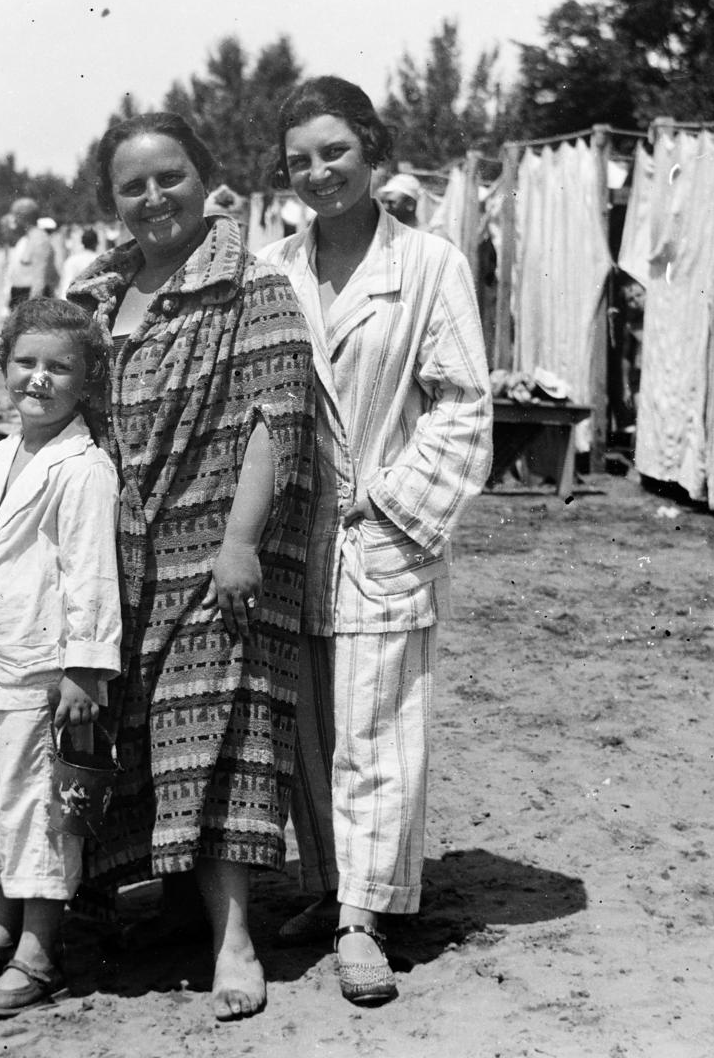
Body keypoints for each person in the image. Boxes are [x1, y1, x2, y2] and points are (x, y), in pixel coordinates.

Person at [65, 112, 315, 1023]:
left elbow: (272, 421)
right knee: (128, 732)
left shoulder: (254, 286)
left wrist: (240, 542)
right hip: (119, 560)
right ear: (113, 201)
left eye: (168, 177)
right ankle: (167, 907)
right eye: (132, 185)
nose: (152, 197)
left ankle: (234, 941)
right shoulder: (98, 299)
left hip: (218, 553)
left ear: (203, 180)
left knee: (214, 731)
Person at [259, 76, 493, 1007]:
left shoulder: (431, 263)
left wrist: (385, 499)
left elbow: (464, 402)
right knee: (310, 725)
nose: (319, 173)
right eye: (300, 161)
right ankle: (328, 885)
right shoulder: (273, 268)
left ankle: (367, 917)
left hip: (381, 522)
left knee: (376, 728)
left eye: (336, 153)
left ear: (373, 152)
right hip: (292, 533)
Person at [0, 297, 121, 1019]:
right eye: (25, 362)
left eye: (58, 367)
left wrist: (85, 666)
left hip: (39, 669)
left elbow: (92, 572)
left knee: (35, 807)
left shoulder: (82, 467)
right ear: (4, 366)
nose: (38, 379)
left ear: (87, 381)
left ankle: (40, 953)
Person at [5, 198, 59, 310]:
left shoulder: (40, 240)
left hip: (30, 299)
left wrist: (31, 311)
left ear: (22, 217)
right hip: (20, 296)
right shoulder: (27, 239)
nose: (13, 220)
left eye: (15, 216)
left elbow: (39, 279)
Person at [56, 228, 100, 298]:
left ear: (82, 242)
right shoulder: (100, 260)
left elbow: (66, 285)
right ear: (97, 243)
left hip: (73, 304)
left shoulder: (71, 260)